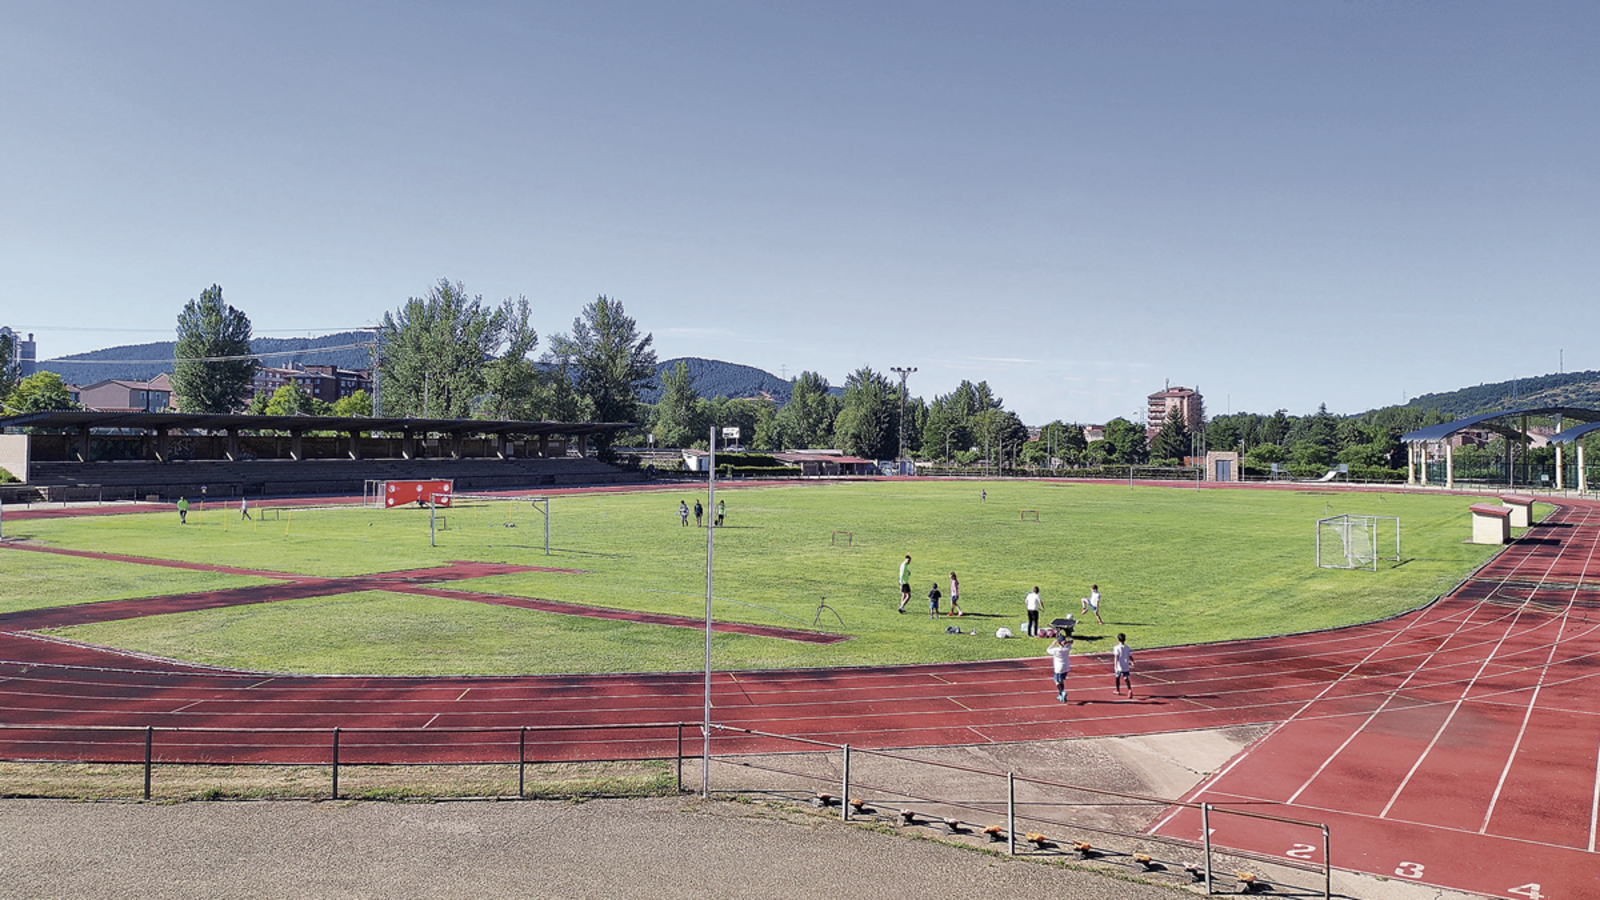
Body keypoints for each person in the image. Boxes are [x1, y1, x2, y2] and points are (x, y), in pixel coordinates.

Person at [1047, 630, 1073, 702]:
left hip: (1058, 668)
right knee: (1061, 680)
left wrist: (1053, 644)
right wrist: (1067, 641)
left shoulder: (1055, 650)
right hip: (1066, 667)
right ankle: (1061, 695)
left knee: (1057, 681)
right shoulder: (1067, 648)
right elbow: (1071, 641)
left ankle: (1062, 692)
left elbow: (1048, 650)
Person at [1112, 632, 1134, 698]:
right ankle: (1129, 690)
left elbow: (1116, 657)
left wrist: (1115, 665)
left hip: (1119, 665)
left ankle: (1118, 690)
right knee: (1126, 678)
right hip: (1125, 664)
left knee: (1117, 677)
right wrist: (1132, 661)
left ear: (1118, 639)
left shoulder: (1116, 648)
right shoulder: (1127, 647)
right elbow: (1130, 655)